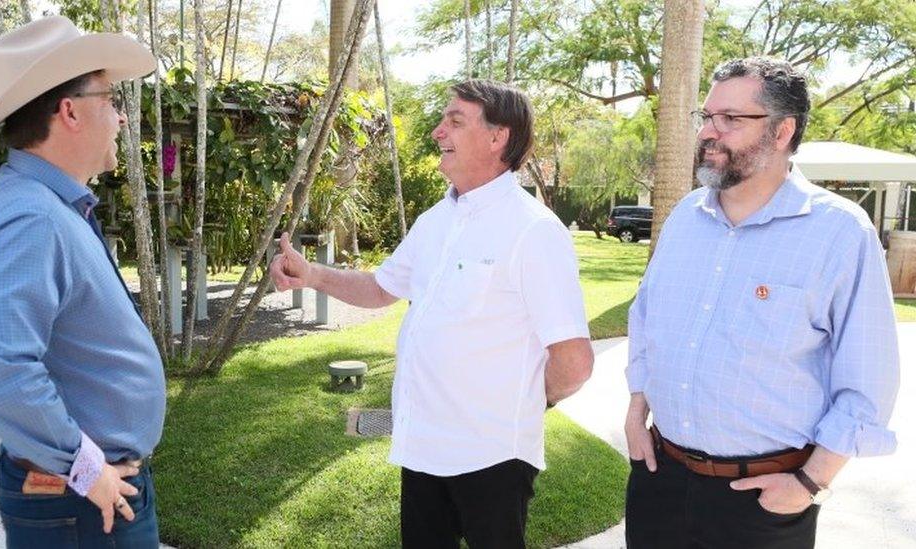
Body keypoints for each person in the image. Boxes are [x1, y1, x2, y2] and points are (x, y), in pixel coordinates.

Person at [270, 79, 593, 548]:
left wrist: (528, 400)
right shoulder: (435, 219)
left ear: (497, 137)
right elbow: (381, 288)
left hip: (492, 457)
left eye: (455, 121)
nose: (438, 132)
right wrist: (314, 274)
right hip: (422, 448)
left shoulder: (534, 230)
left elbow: (574, 360)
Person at [623, 57, 900, 548]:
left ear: (781, 131)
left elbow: (868, 379)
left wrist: (810, 483)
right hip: (658, 479)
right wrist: (635, 409)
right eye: (707, 117)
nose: (709, 132)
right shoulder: (685, 218)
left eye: (731, 119)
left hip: (763, 503)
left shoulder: (839, 232)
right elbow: (646, 322)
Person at [0, 16, 166, 548]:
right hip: (83, 502)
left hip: (87, 496)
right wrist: (86, 468)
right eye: (111, 99)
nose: (120, 117)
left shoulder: (45, 204)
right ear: (69, 111)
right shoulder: (33, 217)